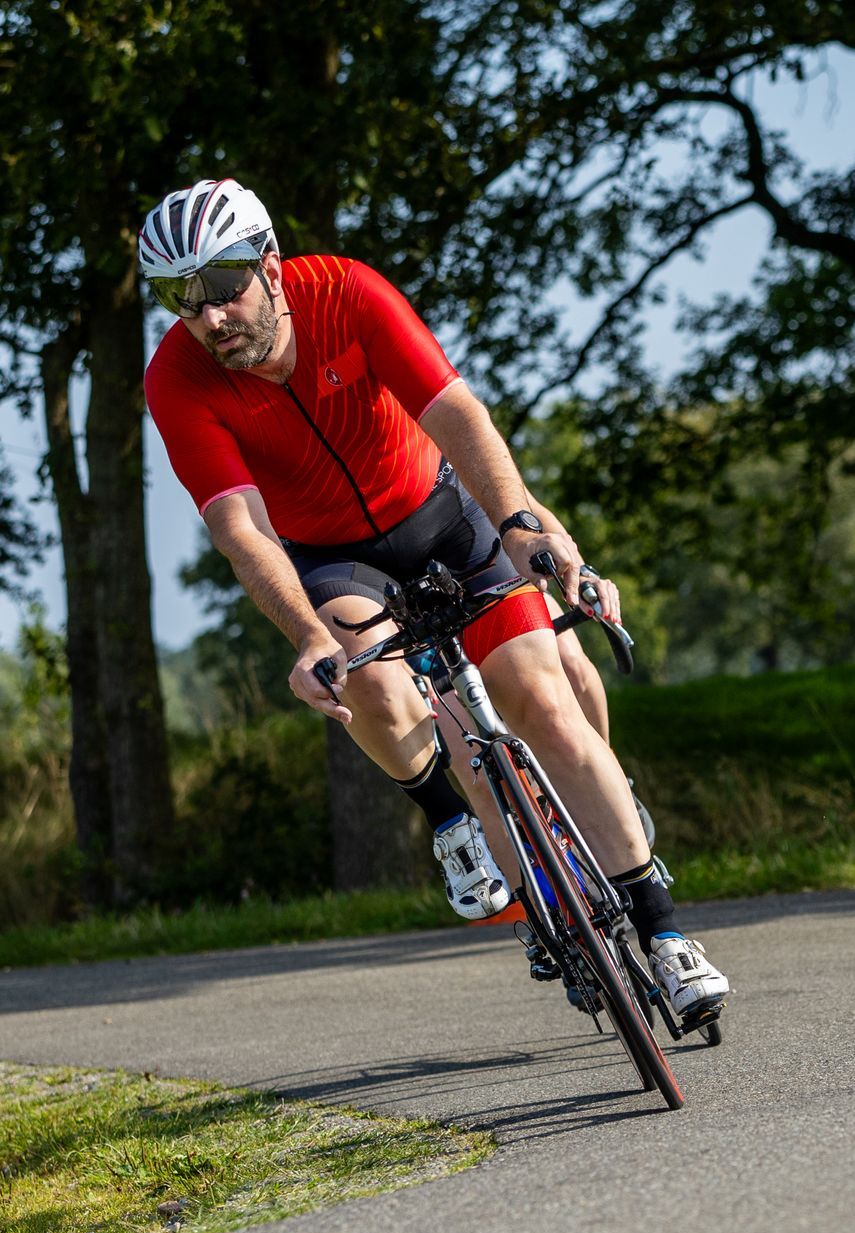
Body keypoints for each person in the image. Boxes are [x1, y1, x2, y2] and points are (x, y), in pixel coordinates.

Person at [137, 178, 728, 1019]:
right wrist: (307, 639)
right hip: (337, 560)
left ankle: (665, 936)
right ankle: (450, 819)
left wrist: (520, 524)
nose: (209, 318)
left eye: (222, 289)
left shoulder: (347, 290)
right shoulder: (177, 378)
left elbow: (456, 413)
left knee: (548, 705)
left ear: (269, 266)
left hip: (441, 518)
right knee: (365, 677)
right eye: (180, 300)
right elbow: (240, 529)